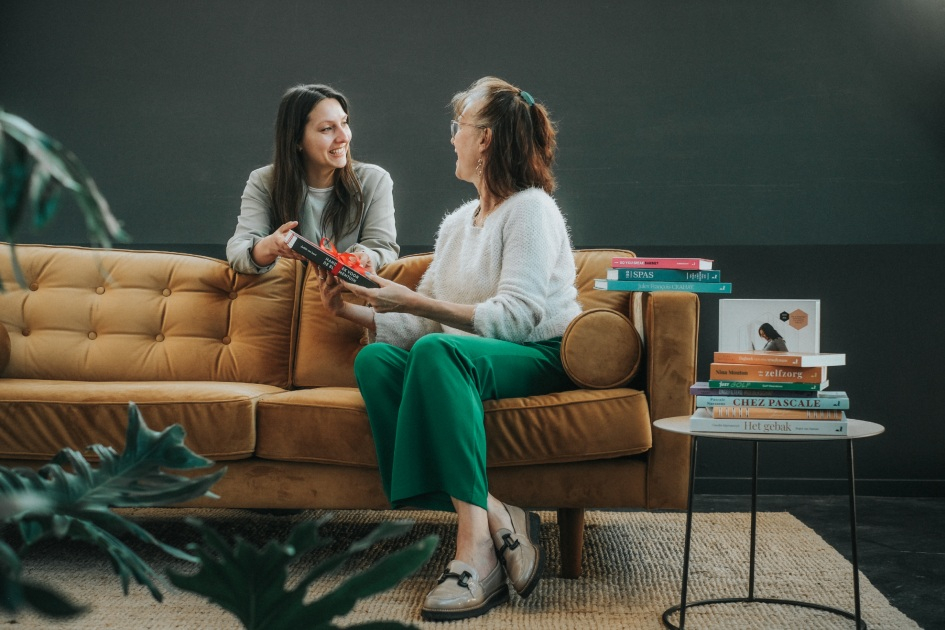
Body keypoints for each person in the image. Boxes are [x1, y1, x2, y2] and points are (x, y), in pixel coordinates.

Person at [316, 76, 581, 621]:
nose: (452, 138)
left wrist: (412, 302)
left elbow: (517, 317)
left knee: (439, 354)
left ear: (484, 139)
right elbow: (417, 322)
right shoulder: (459, 224)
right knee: (377, 358)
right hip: (469, 355)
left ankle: (474, 551)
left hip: (538, 354)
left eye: (458, 127)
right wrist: (352, 310)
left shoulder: (531, 210)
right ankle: (497, 512)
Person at [227, 84, 399, 274]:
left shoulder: (374, 180)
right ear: (297, 140)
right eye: (327, 129)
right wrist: (270, 246)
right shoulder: (264, 181)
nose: (344, 137)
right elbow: (238, 251)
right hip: (287, 299)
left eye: (344, 122)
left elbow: (384, 248)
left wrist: (366, 257)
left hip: (348, 298)